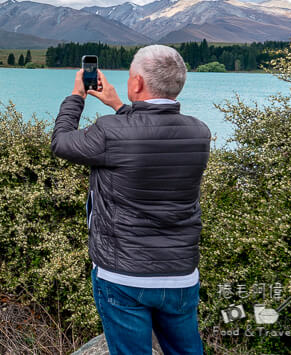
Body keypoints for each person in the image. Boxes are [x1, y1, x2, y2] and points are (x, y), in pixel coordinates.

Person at [52, 45, 211, 355]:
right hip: (180, 274)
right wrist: (118, 104)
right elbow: (148, 132)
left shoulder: (111, 133)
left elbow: (61, 142)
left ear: (136, 83)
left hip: (122, 274)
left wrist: (77, 96)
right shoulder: (199, 132)